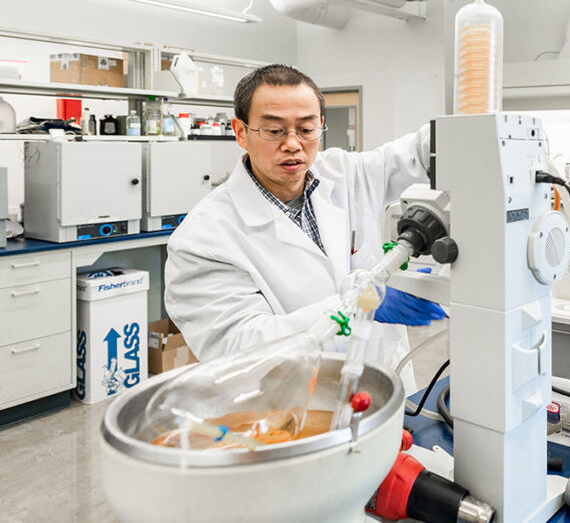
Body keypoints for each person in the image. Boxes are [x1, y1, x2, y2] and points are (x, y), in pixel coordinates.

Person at [165, 64, 444, 394]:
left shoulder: (345, 174)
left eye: (307, 129)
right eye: (274, 131)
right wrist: (356, 306)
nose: (293, 144)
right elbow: (237, 349)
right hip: (294, 407)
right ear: (240, 132)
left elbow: (418, 152)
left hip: (387, 386)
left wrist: (475, 111)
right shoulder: (204, 237)